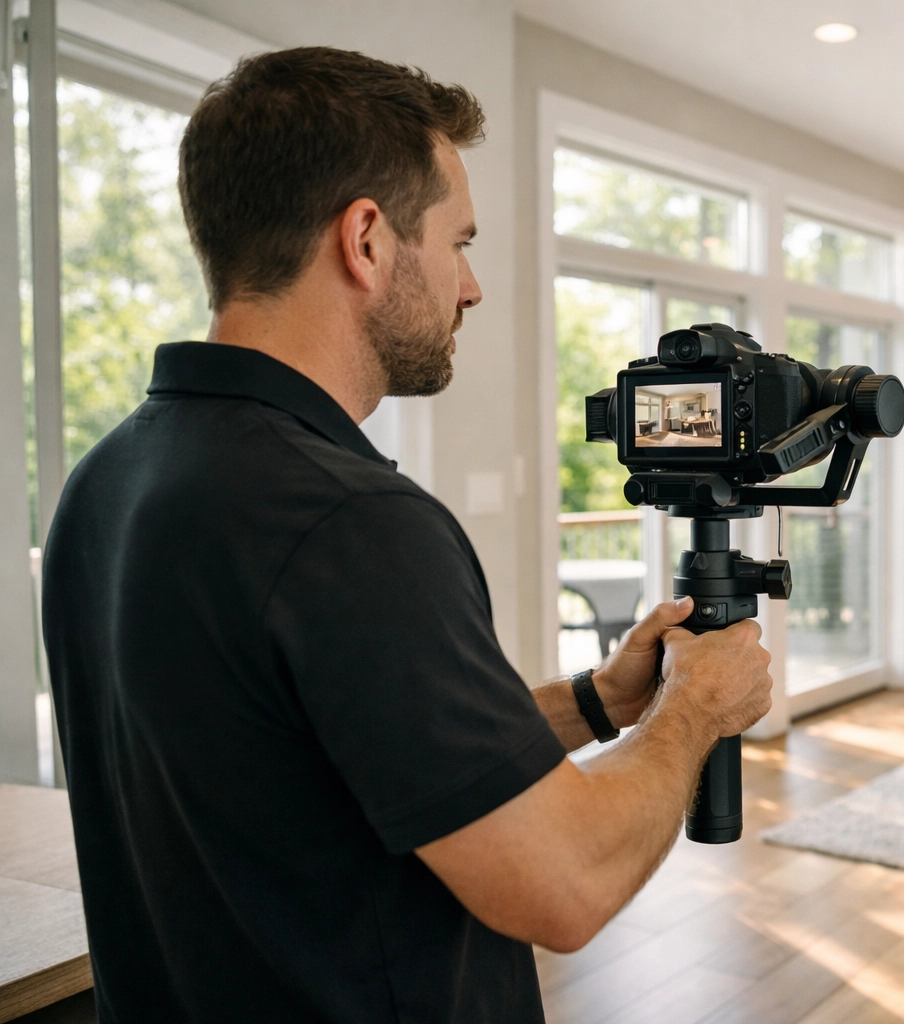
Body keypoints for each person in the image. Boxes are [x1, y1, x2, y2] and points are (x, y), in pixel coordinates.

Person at [41, 46, 772, 1022]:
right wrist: (697, 709)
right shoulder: (349, 524)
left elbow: (342, 759)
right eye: (459, 242)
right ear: (368, 239)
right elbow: (564, 882)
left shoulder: (109, 481)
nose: (470, 287)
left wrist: (603, 701)